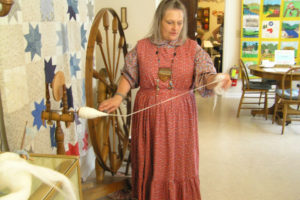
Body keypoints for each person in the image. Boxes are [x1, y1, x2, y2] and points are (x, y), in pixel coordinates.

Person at [98, 0, 231, 199]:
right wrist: (118, 97)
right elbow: (129, 75)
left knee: (178, 162)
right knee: (150, 160)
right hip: (148, 117)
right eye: (170, 22)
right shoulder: (142, 47)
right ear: (159, 20)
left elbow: (206, 76)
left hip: (181, 117)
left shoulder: (193, 48)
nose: (175, 28)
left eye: (179, 22)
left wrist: (217, 80)